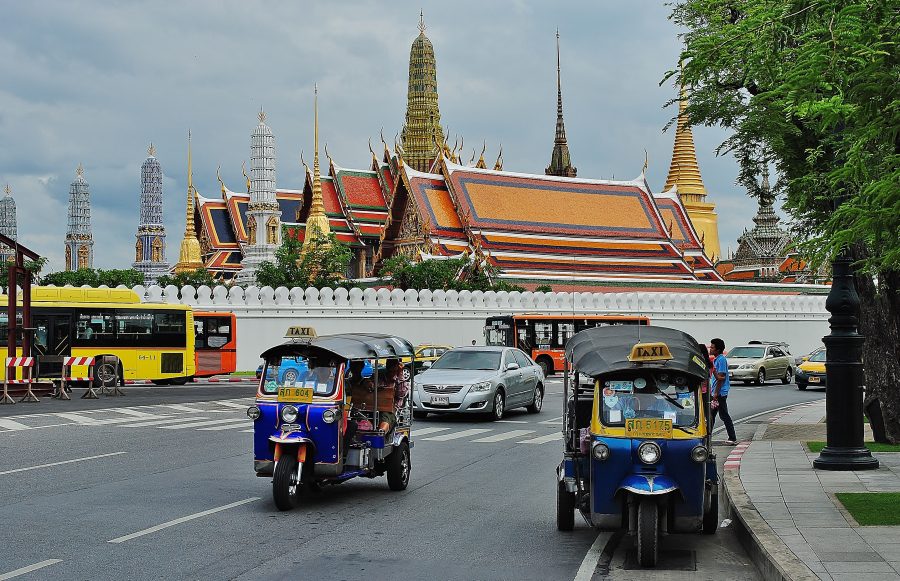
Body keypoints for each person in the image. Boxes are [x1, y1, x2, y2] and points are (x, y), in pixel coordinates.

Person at [709, 338, 737, 445]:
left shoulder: (721, 360)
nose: (710, 349)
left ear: (718, 349)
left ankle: (732, 437)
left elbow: (721, 377)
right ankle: (707, 437)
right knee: (711, 415)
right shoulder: (716, 359)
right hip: (716, 392)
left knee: (724, 415)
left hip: (720, 393)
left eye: (712, 347)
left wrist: (716, 393)